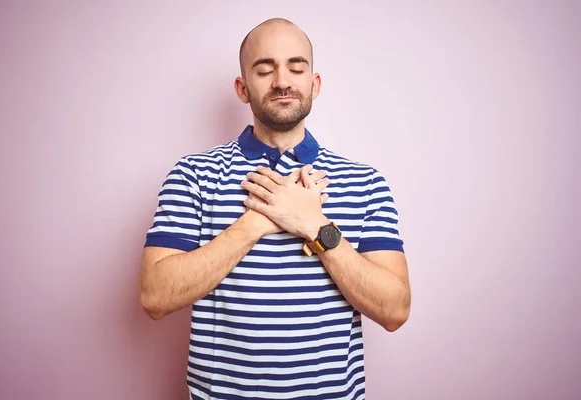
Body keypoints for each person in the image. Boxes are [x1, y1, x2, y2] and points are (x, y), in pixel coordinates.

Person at [139, 17, 411, 400]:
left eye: (296, 68)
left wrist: (315, 225)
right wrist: (253, 223)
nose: (282, 80)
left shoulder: (365, 181)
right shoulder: (193, 175)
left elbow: (394, 310)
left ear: (314, 85)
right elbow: (155, 297)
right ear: (242, 88)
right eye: (264, 69)